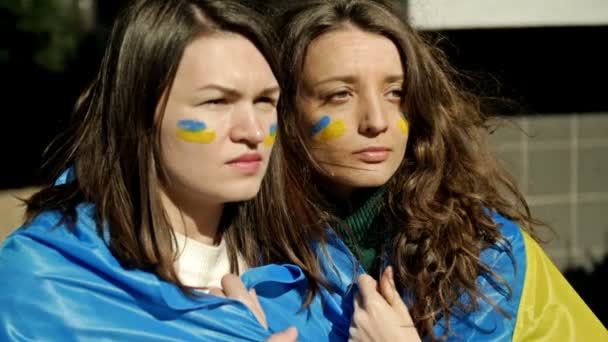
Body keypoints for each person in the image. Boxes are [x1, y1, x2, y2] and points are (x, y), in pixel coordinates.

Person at [253, 0, 607, 340]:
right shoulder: (241, 255)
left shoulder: (492, 254)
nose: (377, 121)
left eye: (396, 92)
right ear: (282, 111)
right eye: (341, 94)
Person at [0, 0, 348, 340]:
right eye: (216, 101)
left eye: (264, 101)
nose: (254, 132)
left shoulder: (318, 265)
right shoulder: (45, 287)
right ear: (138, 113)